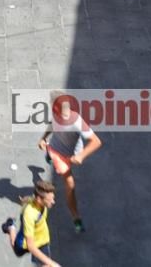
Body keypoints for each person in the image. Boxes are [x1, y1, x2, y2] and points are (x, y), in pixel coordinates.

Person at [38, 92, 102, 233]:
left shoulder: (77, 121)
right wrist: (43, 138)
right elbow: (52, 125)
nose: (66, 113)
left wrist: (82, 155)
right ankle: (76, 218)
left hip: (70, 155)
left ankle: (49, 155)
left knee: (61, 170)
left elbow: (96, 141)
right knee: (70, 183)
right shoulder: (56, 114)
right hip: (57, 152)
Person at [1, 180, 59, 267]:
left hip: (42, 240)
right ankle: (10, 227)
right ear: (39, 199)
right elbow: (31, 246)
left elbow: (30, 198)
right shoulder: (30, 215)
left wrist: (23, 200)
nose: (53, 202)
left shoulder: (37, 200)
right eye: (50, 200)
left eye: (53, 198)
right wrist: (53, 263)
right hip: (25, 242)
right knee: (17, 251)